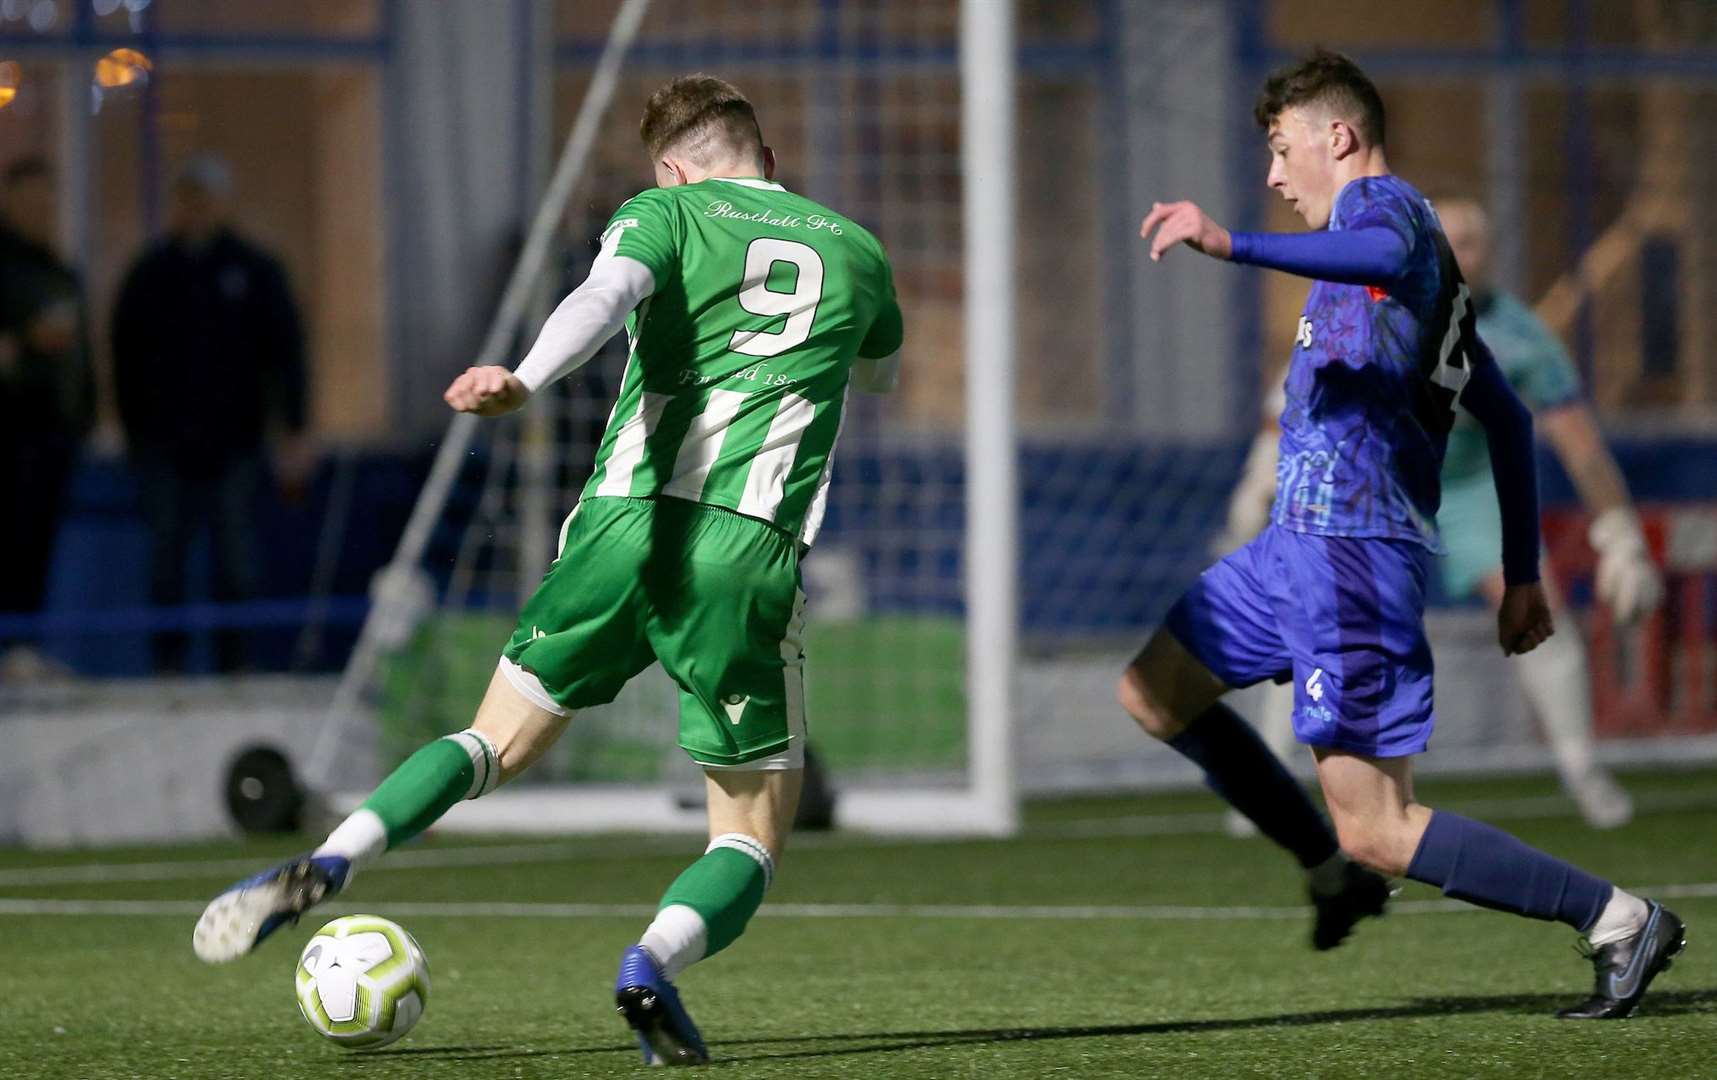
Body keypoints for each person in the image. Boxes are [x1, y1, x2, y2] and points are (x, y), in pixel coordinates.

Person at [192, 75, 904, 1063]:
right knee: (747, 835)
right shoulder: (856, 249)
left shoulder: (661, 213)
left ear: (671, 169)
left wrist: (522, 377)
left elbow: (603, 295)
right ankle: (649, 962)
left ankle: (330, 858)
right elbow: (877, 371)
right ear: (766, 160)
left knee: (493, 743)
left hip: (618, 527)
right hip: (744, 548)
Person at [1124, 50, 1682, 1019]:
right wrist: (1519, 575)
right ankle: (1326, 870)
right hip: (1293, 548)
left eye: (1277, 147)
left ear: (1335, 138)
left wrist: (1230, 244)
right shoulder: (1429, 271)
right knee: (1154, 691)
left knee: (1379, 828)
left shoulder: (1384, 220)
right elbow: (1503, 417)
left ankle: (1617, 919)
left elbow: (1381, 260)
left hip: (1351, 553)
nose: (1269, 172)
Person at [1216, 198, 1660, 832]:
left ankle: (1582, 771)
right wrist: (1260, 478)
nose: (1455, 253)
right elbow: (1293, 392)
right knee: (1318, 619)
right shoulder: (1362, 303)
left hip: (1468, 485)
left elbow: (1581, 446)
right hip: (1372, 483)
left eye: (1470, 242)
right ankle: (1271, 779)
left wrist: (1622, 536)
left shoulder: (1521, 336)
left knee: (1538, 610)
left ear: (1488, 252)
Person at [112, 154, 312, 673]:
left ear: (224, 203)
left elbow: (285, 354)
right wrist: (136, 435)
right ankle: (168, 665)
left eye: (206, 197)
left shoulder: (255, 270)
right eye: (188, 197)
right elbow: (126, 357)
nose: (196, 207)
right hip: (165, 448)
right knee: (167, 563)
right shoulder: (152, 273)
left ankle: (234, 665)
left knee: (235, 562)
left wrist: (291, 429)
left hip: (235, 445)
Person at [0, 157, 93, 682]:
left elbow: (81, 359)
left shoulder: (57, 270)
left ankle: (21, 649)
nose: (39, 209)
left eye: (47, 199)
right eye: (28, 198)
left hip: (49, 436)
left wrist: (85, 420)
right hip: (10, 433)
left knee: (35, 543)